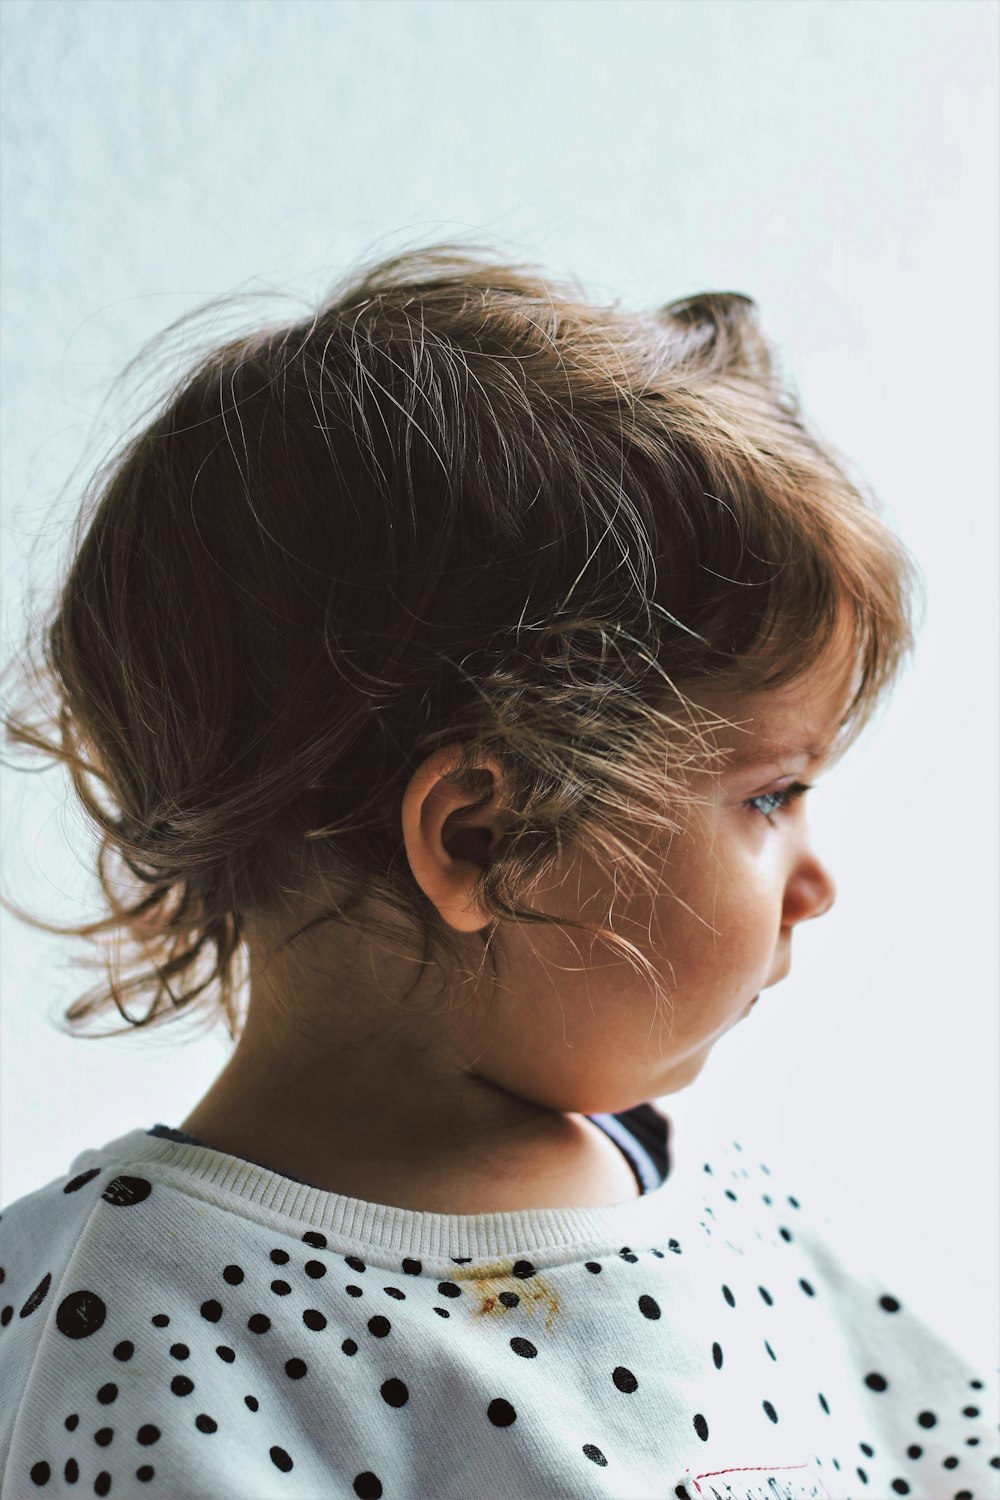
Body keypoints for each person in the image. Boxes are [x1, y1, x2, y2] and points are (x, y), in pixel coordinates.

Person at [0, 244, 995, 1500]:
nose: (816, 883)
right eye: (769, 796)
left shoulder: (710, 1201)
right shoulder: (145, 1326)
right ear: (481, 836)